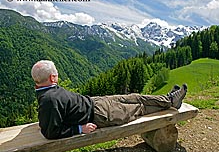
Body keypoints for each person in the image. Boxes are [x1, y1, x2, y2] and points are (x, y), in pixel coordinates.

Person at [31, 60, 187, 139]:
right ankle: (170, 104)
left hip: (95, 102)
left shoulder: (46, 90)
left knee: (135, 96)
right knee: (139, 107)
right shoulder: (49, 101)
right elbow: (50, 132)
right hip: (99, 115)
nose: (58, 75)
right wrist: (79, 129)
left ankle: (168, 99)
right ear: (52, 77)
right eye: (57, 74)